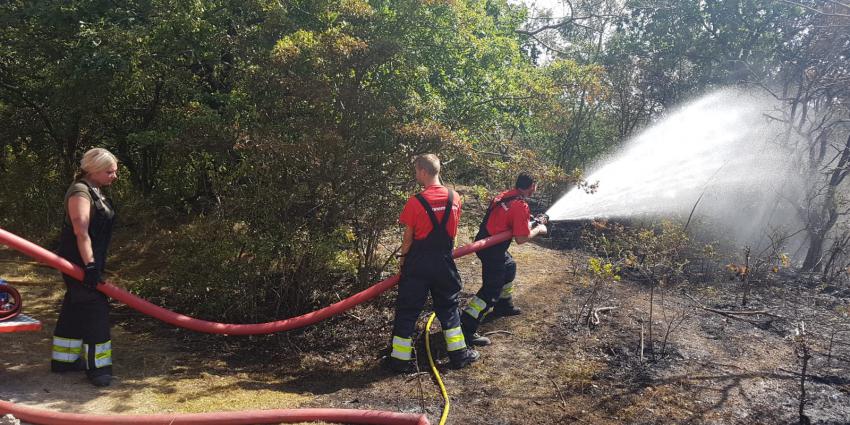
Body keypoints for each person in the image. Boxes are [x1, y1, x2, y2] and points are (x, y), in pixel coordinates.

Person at [387, 154, 479, 373]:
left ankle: (400, 360)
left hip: (418, 263)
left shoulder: (415, 202)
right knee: (448, 307)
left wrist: (403, 261)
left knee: (408, 309)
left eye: (416, 171)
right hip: (444, 261)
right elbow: (453, 233)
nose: (416, 174)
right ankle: (459, 355)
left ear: (423, 172)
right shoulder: (454, 197)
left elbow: (408, 238)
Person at [51, 148, 118, 387]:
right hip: (78, 262)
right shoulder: (80, 191)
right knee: (95, 306)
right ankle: (99, 370)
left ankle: (64, 360)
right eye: (110, 171)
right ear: (94, 170)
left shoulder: (96, 191)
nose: (114, 176)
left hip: (90, 261)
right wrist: (89, 266)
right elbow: (81, 231)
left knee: (75, 304)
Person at [460, 172, 548, 346]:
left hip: (485, 243)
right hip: (492, 250)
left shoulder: (505, 196)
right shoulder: (520, 205)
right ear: (532, 187)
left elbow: (506, 219)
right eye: (536, 186)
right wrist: (540, 229)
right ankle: (467, 328)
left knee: (509, 266)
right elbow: (521, 239)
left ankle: (504, 305)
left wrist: (532, 221)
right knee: (489, 292)